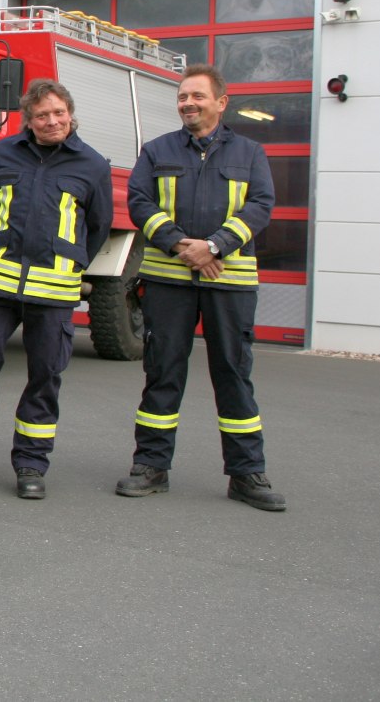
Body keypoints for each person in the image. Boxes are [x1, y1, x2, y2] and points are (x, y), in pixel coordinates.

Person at [115, 64, 285, 511]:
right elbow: (139, 202)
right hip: (169, 281)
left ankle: (247, 474)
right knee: (163, 373)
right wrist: (180, 246)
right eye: (182, 97)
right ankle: (150, 467)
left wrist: (214, 246)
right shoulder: (157, 150)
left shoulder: (250, 154)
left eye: (197, 96)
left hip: (229, 283)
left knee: (233, 374)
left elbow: (261, 206)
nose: (188, 103)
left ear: (221, 102)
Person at [0, 79, 112, 500]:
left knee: (45, 375)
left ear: (70, 114)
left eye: (58, 113)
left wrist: (70, 262)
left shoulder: (92, 164)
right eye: (41, 116)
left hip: (53, 291)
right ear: (29, 121)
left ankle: (31, 465)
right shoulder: (2, 154)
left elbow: (98, 226)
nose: (51, 121)